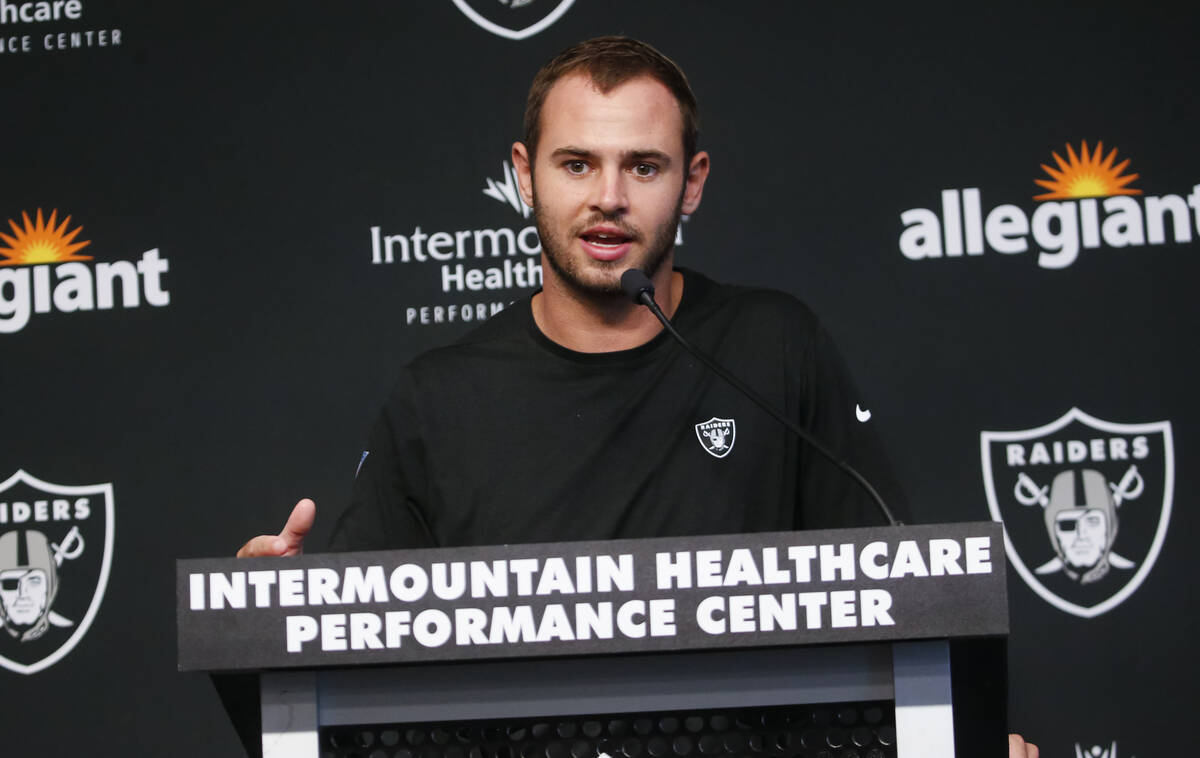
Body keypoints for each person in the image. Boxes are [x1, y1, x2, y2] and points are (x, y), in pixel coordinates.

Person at [237, 36, 1037, 757]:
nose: (609, 197)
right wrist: (270, 608)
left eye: (643, 166)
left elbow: (891, 602)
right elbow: (349, 672)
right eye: (577, 163)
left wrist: (965, 737)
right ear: (524, 175)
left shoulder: (774, 346)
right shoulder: (438, 396)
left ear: (692, 183)